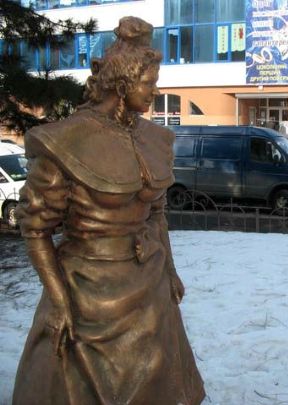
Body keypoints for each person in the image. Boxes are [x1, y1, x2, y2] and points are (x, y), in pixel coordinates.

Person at [13, 17, 205, 404]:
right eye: (149, 84)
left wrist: (169, 270)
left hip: (148, 283)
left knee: (158, 381)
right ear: (122, 85)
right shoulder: (66, 142)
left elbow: (155, 214)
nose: (155, 91)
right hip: (86, 290)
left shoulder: (154, 138)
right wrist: (60, 300)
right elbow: (35, 228)